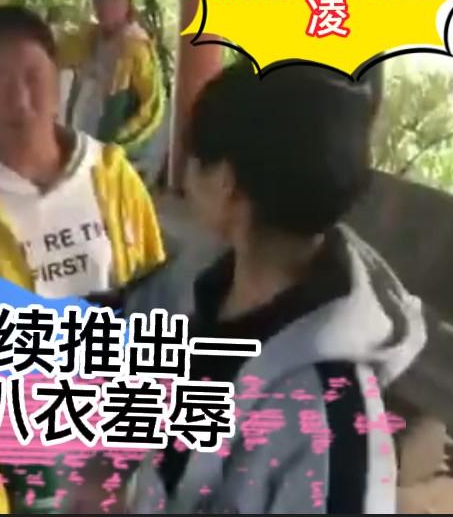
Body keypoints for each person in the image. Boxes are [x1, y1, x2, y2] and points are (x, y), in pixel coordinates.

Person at [125, 63, 427, 513]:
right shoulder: (201, 293)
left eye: (195, 160)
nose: (184, 177)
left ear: (226, 182)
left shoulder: (333, 423)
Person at [0, 5, 167, 513]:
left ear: (58, 78)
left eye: (33, 76)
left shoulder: (111, 178)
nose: (20, 98)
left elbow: (160, 310)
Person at [57, 0, 164, 178]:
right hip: (78, 141)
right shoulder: (85, 38)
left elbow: (151, 108)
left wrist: (117, 140)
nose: (104, 4)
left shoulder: (137, 49)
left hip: (114, 151)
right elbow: (53, 57)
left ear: (128, 4)